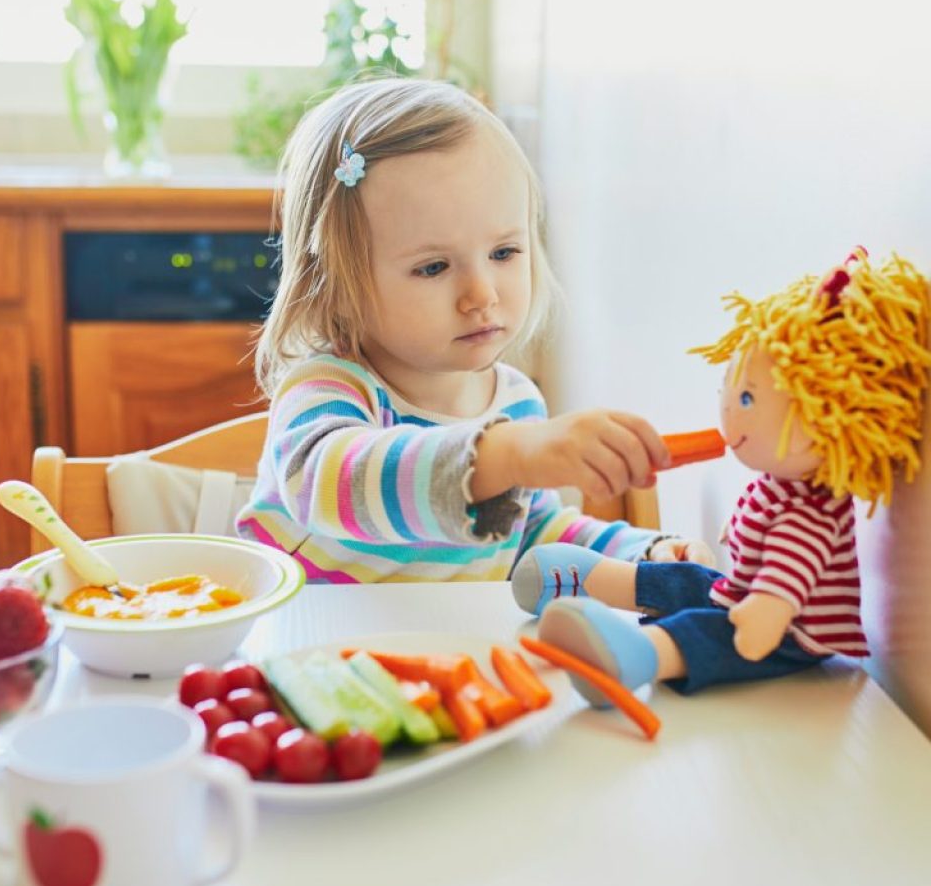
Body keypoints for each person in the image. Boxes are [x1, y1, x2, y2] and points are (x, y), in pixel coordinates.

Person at [237, 76, 714, 583]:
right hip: (307, 652)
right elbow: (332, 485)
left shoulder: (515, 402)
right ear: (337, 283)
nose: (481, 294)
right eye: (434, 267)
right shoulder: (329, 390)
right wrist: (510, 454)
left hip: (444, 652)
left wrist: (645, 552)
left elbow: (533, 534)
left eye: (504, 253)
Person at [512, 248, 931, 703]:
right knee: (687, 579)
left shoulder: (813, 513)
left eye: (747, 400)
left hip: (787, 633)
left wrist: (765, 613)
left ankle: (637, 654)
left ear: (828, 417)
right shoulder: (783, 485)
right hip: (743, 594)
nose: (729, 411)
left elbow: (790, 572)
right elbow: (761, 519)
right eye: (728, 389)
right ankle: (586, 578)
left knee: (709, 630)